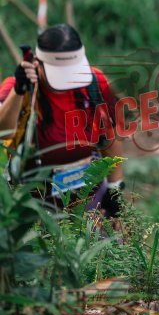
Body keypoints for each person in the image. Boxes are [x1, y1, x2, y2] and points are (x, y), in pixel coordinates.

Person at [0, 24, 124, 217]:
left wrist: (115, 189)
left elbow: (109, 137)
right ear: (37, 63)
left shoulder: (95, 83)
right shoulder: (18, 88)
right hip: (36, 207)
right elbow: (3, 132)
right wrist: (19, 91)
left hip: (90, 201)